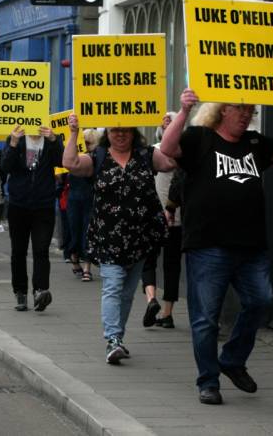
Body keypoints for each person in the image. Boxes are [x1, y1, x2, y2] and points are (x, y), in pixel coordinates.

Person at [159, 89, 273, 405]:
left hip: (250, 245)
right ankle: (208, 381)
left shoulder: (254, 143)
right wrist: (183, 112)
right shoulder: (199, 138)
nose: (245, 114)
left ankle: (233, 360)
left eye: (249, 109)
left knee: (261, 300)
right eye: (239, 108)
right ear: (223, 110)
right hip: (208, 245)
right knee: (206, 317)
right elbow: (168, 148)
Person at [62, 117, 174, 365]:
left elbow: (171, 161)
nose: (120, 134)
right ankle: (112, 339)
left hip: (140, 238)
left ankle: (118, 339)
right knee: (112, 287)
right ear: (107, 133)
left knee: (126, 293)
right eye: (115, 130)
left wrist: (169, 131)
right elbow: (69, 163)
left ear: (134, 132)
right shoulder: (99, 157)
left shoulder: (146, 155)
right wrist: (73, 132)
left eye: (125, 130)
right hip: (109, 237)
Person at [2, 125, 63, 312]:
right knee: (18, 251)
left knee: (41, 250)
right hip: (19, 205)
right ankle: (20, 292)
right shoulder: (16, 139)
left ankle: (40, 291)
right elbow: (5, 167)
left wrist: (54, 141)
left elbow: (63, 162)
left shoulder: (51, 140)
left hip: (43, 205)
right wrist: (12, 143)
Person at [142, 112, 183, 329]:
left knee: (171, 265)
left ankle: (167, 313)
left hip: (175, 217)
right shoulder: (153, 150)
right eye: (164, 120)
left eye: (172, 119)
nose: (167, 121)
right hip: (153, 215)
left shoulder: (183, 151)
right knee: (149, 260)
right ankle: (152, 301)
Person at [65, 128, 99, 282]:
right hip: (74, 197)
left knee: (88, 231)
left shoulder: (95, 158)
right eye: (83, 142)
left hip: (90, 198)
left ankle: (87, 267)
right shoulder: (75, 158)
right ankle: (74, 258)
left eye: (88, 142)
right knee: (74, 229)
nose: (85, 145)